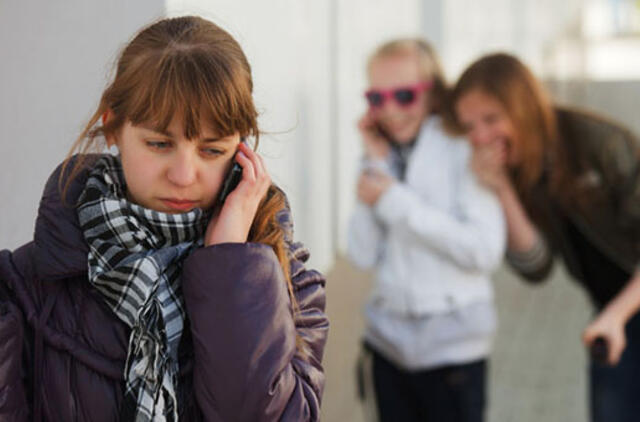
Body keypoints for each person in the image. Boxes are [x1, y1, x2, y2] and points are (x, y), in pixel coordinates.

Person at [0, 16, 328, 422]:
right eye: (159, 143)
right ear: (113, 128)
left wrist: (228, 261)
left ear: (242, 148)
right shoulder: (22, 288)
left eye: (211, 150)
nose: (183, 176)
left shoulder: (287, 283)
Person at [452, 52, 640, 422]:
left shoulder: (601, 144)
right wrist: (502, 189)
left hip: (622, 307)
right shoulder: (517, 166)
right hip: (615, 312)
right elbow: (536, 266)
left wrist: (616, 315)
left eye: (491, 119)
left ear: (524, 107)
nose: (481, 137)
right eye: (469, 126)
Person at [347, 38, 505, 422]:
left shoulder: (463, 147)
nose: (391, 111)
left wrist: (397, 202)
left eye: (405, 95)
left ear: (432, 94)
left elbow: (484, 250)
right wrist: (375, 162)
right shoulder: (377, 155)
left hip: (453, 353)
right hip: (388, 346)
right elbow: (361, 253)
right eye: (377, 98)